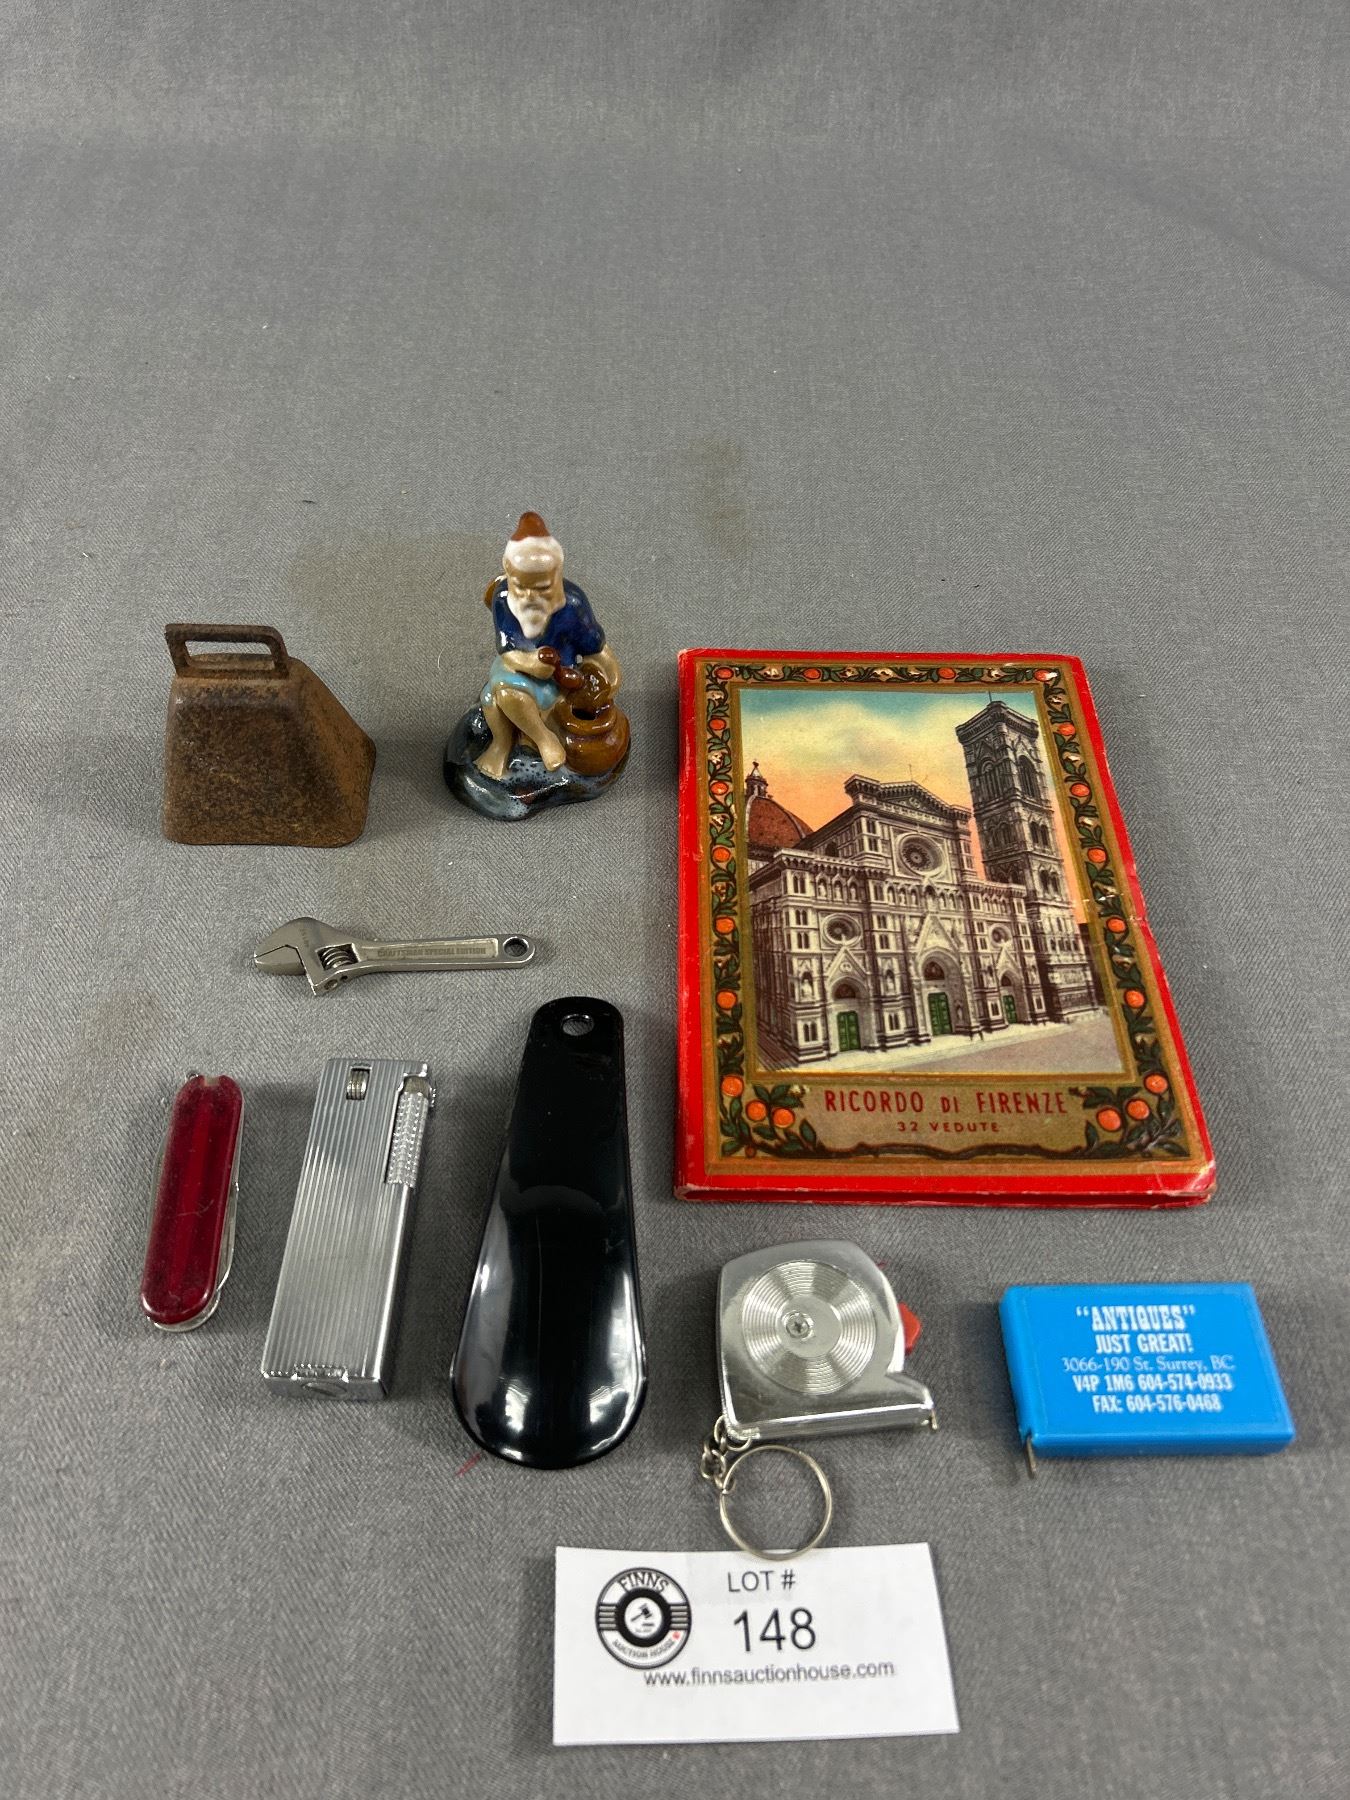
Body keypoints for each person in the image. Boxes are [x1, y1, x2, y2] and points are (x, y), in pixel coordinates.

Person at [474, 512, 621, 780]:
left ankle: (544, 739)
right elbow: (507, 650)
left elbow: (596, 648)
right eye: (521, 587)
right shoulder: (503, 597)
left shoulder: (572, 605)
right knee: (491, 700)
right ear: (508, 572)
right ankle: (502, 745)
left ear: (557, 575)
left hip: (558, 677)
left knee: (505, 694)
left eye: (542, 588)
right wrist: (530, 663)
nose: (531, 597)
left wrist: (609, 681)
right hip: (517, 665)